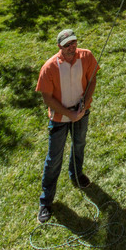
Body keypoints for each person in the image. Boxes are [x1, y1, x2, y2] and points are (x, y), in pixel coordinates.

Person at [36, 28, 99, 224]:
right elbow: (47, 98)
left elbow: (92, 80)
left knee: (79, 144)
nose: (72, 47)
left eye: (74, 43)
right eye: (67, 45)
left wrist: (84, 104)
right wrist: (69, 113)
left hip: (81, 112)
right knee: (54, 158)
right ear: (59, 47)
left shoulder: (86, 56)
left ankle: (77, 174)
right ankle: (45, 202)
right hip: (59, 118)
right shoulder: (49, 68)